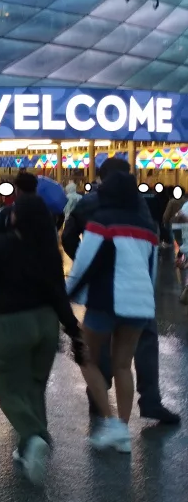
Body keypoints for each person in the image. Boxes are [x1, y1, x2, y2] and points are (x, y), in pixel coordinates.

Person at [0, 194, 93, 485]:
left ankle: (35, 437)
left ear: (15, 218)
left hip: (11, 323)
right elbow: (60, 296)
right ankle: (28, 450)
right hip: (46, 324)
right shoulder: (49, 250)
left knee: (7, 387)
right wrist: (73, 330)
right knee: (35, 387)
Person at [62, 157, 179, 425]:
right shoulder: (138, 203)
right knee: (143, 343)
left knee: (98, 346)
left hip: (104, 291)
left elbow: (68, 237)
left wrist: (90, 266)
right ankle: (149, 401)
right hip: (139, 290)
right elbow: (151, 241)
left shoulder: (89, 203)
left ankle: (99, 398)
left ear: (102, 178)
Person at [66, 171, 160, 453]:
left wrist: (69, 294)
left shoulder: (100, 222)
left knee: (85, 356)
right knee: (122, 365)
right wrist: (146, 299)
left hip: (106, 299)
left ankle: (111, 423)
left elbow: (84, 262)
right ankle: (122, 427)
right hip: (140, 303)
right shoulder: (148, 227)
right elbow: (152, 271)